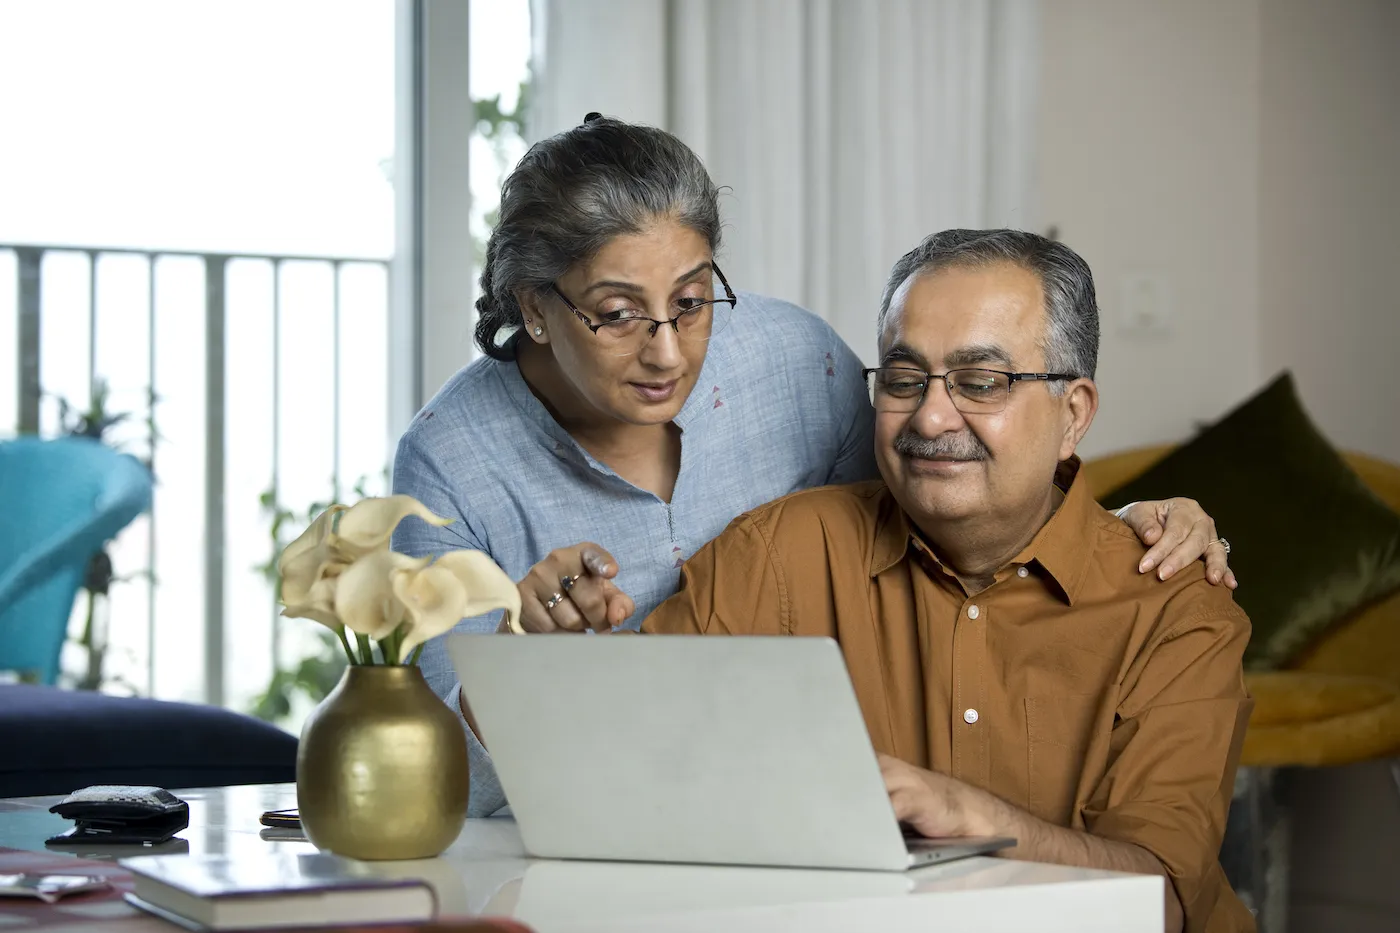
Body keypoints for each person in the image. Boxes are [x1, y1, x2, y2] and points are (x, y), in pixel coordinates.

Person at [391, 115, 1236, 820]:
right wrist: (517, 668)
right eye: (617, 314)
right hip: (633, 823)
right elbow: (455, 783)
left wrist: (1103, 527)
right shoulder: (451, 464)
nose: (666, 350)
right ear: (536, 308)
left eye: (690, 302)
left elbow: (948, 485)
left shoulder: (799, 364)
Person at [642, 229, 1252, 933]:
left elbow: (1162, 904)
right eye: (904, 379)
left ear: (1073, 415)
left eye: (980, 382)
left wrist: (973, 820)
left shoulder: (1175, 602)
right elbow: (635, 764)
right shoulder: (781, 552)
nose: (930, 416)